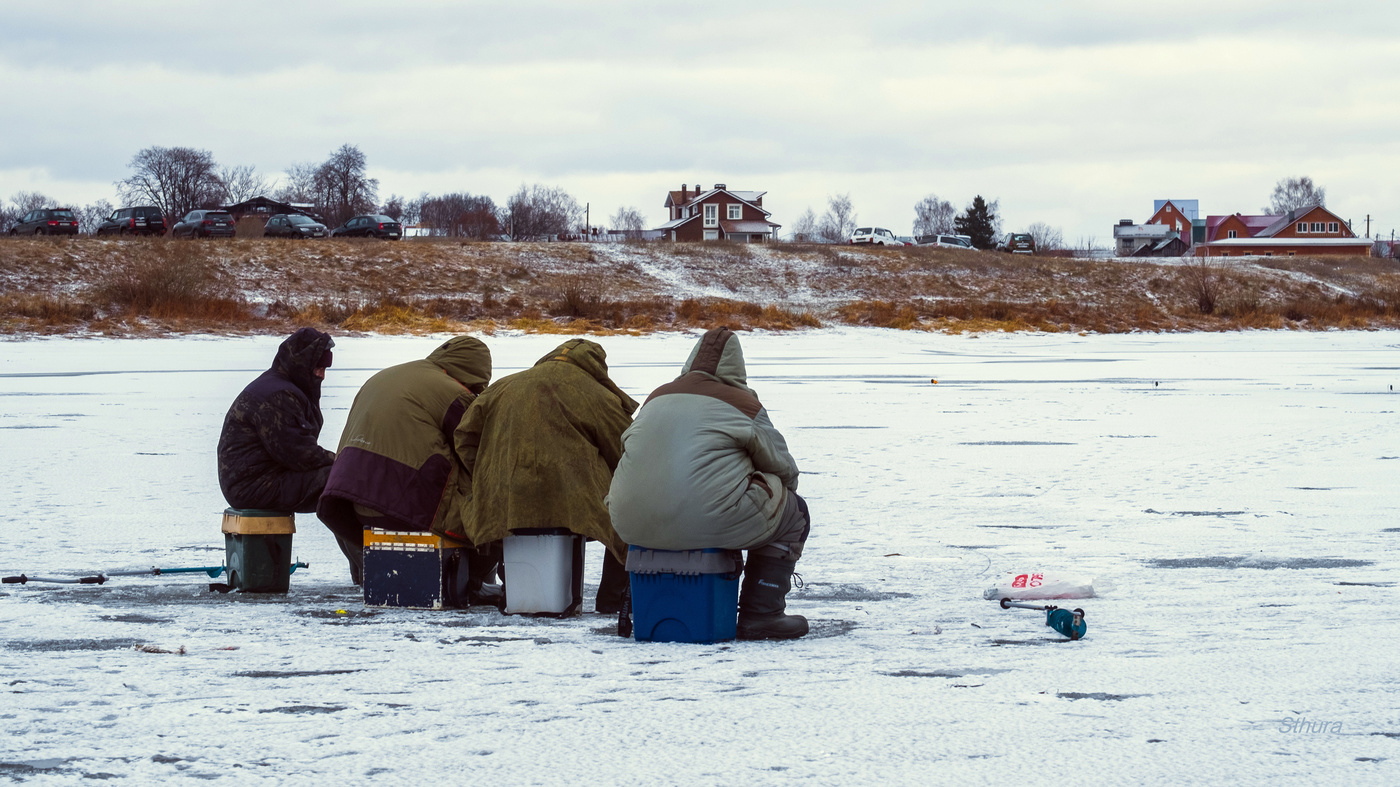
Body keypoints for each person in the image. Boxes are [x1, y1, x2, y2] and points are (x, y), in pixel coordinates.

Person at [606, 328, 810, 640]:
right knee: (793, 509)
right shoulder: (743, 404)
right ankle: (761, 613)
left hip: (628, 521)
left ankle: (640, 604)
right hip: (709, 519)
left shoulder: (655, 398)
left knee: (647, 490)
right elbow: (784, 470)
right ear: (737, 368)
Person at [455, 339, 637, 612]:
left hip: (506, 496)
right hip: (574, 497)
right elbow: (626, 449)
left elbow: (464, 437)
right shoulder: (596, 394)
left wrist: (487, 474)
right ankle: (612, 598)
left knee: (508, 519)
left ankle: (515, 592)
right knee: (629, 517)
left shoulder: (502, 387)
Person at [317, 337, 495, 592]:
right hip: (405, 512)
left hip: (351, 505)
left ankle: (367, 573)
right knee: (486, 522)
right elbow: (477, 456)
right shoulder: (454, 393)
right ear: (472, 376)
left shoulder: (384, 377)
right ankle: (472, 582)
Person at [217, 327, 337, 513]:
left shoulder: (279, 385)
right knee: (345, 478)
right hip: (253, 487)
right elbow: (298, 454)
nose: (322, 375)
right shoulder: (278, 396)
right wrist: (342, 462)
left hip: (254, 480)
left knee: (342, 476)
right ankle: (367, 536)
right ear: (303, 364)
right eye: (318, 368)